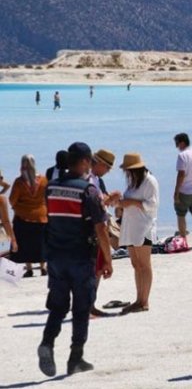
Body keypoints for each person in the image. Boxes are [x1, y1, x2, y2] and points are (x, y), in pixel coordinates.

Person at [37, 142, 113, 377]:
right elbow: (100, 228)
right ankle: (75, 357)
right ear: (83, 162)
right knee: (81, 308)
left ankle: (47, 343)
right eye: (90, 161)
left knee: (58, 307)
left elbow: (49, 220)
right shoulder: (87, 190)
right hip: (81, 257)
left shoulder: (51, 188)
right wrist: (108, 259)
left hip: (56, 258)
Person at [116, 153, 159, 314]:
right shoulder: (134, 182)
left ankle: (144, 301)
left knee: (144, 264)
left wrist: (132, 203)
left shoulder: (150, 181)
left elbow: (152, 205)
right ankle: (138, 299)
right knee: (136, 264)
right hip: (131, 226)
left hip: (144, 227)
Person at [88, 149, 118, 317]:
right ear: (100, 164)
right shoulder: (90, 180)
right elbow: (97, 205)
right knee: (94, 268)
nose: (107, 172)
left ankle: (91, 304)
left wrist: (110, 199)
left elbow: (103, 201)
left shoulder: (98, 180)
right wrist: (109, 198)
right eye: (107, 168)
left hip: (99, 227)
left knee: (97, 269)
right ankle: (88, 306)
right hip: (95, 229)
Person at [9, 155, 48, 277]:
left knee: (25, 243)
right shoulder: (43, 180)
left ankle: (29, 268)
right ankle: (43, 267)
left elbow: (12, 200)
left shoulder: (19, 182)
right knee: (41, 243)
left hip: (23, 216)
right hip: (41, 216)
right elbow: (46, 197)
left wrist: (17, 206)